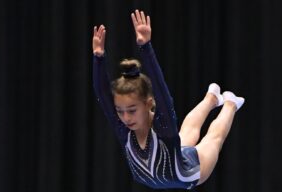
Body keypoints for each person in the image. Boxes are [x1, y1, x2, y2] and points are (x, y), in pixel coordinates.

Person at [92, 10, 245, 190]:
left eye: (132, 110)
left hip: (190, 173)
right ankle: (211, 98)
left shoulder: (162, 125)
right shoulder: (123, 130)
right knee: (186, 133)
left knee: (213, 139)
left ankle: (230, 103)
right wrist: (98, 57)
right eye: (120, 111)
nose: (125, 117)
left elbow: (160, 87)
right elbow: (102, 94)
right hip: (174, 157)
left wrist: (146, 47)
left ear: (148, 103)